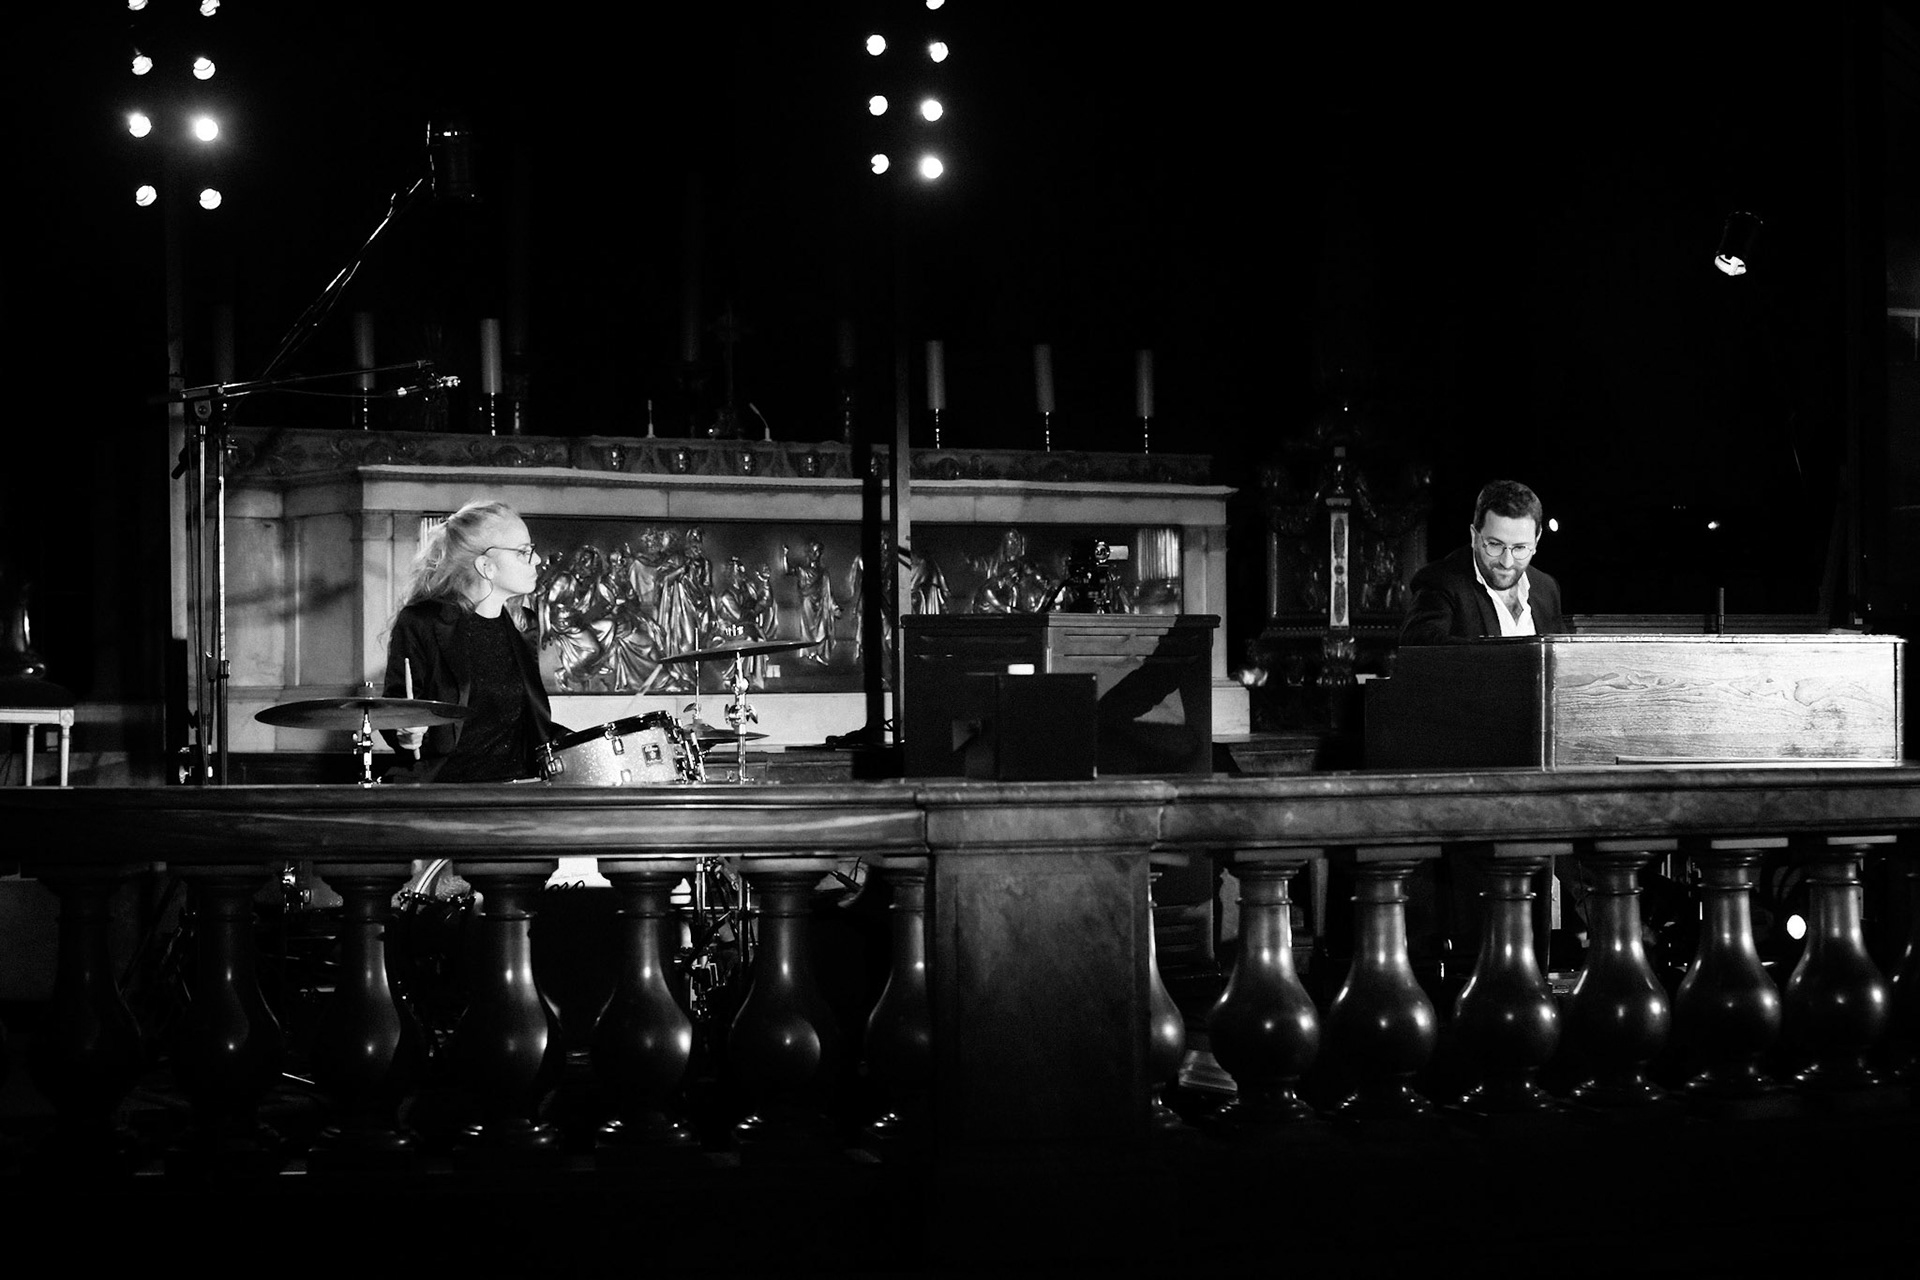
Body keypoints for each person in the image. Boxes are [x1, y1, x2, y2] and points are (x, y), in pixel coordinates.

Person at [382, 500, 567, 782]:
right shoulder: (421, 621)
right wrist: (405, 734)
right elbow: (397, 709)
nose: (538, 560)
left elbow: (528, 724)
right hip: (444, 794)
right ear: (485, 565)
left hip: (521, 790)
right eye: (524, 552)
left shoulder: (524, 623)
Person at [1400, 479, 1568, 643]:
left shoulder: (1547, 588)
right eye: (1495, 545)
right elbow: (1419, 644)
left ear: (1536, 541)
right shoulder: (1440, 582)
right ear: (1474, 536)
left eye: (1520, 548)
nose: (1507, 562)